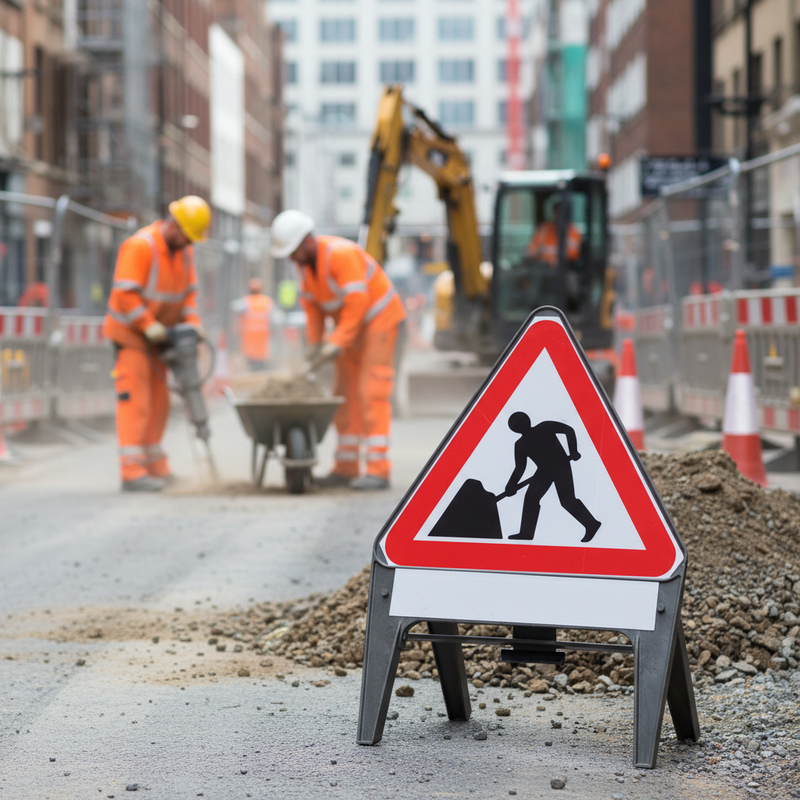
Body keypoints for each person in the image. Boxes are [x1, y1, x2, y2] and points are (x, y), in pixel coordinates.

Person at [270, 209, 406, 490]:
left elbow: (358, 302)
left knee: (371, 392)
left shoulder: (341, 254)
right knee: (344, 394)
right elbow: (313, 309)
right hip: (350, 331)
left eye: (294, 252)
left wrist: (337, 342)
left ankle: (379, 470)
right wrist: (315, 344)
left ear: (307, 241)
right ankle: (346, 466)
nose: (292, 259)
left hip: (378, 323)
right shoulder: (305, 269)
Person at [103, 196, 212, 492]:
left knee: (159, 403)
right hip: (131, 337)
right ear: (174, 225)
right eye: (187, 236)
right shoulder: (141, 246)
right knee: (136, 401)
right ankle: (132, 469)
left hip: (159, 340)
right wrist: (147, 324)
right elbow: (125, 294)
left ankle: (154, 464)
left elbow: (189, 295)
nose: (190, 242)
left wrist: (192, 324)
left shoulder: (184, 252)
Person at [504, 411, 601, 543]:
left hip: (561, 466)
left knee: (567, 500)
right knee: (531, 499)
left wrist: (573, 450)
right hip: (544, 471)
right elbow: (520, 468)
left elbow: (568, 430)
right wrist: (511, 484)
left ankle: (592, 524)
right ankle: (526, 533)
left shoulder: (544, 427)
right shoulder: (521, 444)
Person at [232, 278, 274, 370]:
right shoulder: (267, 301)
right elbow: (273, 317)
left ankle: (255, 369)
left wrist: (236, 328)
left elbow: (236, 310)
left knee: (251, 357)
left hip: (249, 334)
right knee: (261, 356)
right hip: (262, 334)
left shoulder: (246, 301)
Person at [527, 197, 582, 266]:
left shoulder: (573, 231)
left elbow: (573, 254)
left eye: (561, 213)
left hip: (565, 267)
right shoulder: (544, 229)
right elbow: (531, 251)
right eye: (557, 213)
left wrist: (558, 259)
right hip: (543, 267)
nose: (559, 217)